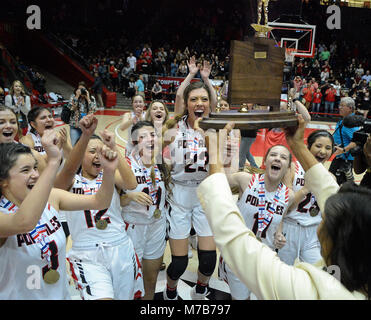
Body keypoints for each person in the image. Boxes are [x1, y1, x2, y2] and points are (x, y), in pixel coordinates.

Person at [197, 114, 370, 299]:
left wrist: (214, 154)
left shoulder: (301, 289)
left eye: (324, 221)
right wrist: (297, 145)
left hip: (263, 249)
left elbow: (236, 242)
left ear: (334, 244)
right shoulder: (354, 276)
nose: (321, 224)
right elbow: (328, 189)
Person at [0, 129, 118, 299]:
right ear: (3, 181)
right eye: (25, 170)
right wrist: (53, 162)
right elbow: (24, 222)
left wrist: (109, 172)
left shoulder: (51, 197)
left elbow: (100, 201)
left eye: (35, 167)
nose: (35, 174)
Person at [55, 119, 143, 300]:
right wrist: (83, 138)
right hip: (87, 253)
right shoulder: (72, 180)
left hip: (120, 246)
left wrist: (113, 148)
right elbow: (67, 172)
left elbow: (131, 184)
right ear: (80, 155)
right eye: (92, 151)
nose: (97, 156)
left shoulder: (110, 175)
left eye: (101, 151)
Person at [161, 81, 217, 300]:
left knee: (208, 261)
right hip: (180, 194)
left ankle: (201, 289)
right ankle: (171, 290)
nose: (199, 103)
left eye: (203, 99)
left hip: (204, 194)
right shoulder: (173, 129)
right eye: (194, 99)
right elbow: (160, 160)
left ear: (209, 103)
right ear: (186, 104)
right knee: (180, 263)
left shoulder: (215, 128)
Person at [218, 143, 295, 300]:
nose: (278, 159)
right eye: (273, 155)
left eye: (283, 157)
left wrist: (278, 234)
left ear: (288, 168)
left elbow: (278, 220)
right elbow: (219, 180)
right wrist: (224, 156)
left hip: (265, 258)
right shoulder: (246, 180)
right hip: (239, 255)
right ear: (265, 161)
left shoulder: (289, 196)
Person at [121, 121, 170, 300]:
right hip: (132, 227)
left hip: (157, 225)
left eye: (153, 134)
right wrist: (130, 197)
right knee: (130, 280)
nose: (150, 138)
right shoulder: (125, 165)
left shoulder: (163, 163)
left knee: (151, 278)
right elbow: (111, 202)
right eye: (143, 136)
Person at [277, 130, 335, 266]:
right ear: (308, 147)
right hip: (289, 227)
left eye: (328, 148)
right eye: (318, 146)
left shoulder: (329, 178)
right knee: (284, 273)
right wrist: (305, 189)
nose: (323, 151)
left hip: (313, 231)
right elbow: (285, 205)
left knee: (319, 271)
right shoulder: (292, 168)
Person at [329, 97, 360, 185]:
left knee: (335, 184)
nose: (340, 107)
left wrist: (343, 150)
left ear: (350, 108)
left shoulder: (351, 123)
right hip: (340, 157)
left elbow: (357, 141)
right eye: (340, 105)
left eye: (342, 105)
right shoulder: (344, 120)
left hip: (345, 159)